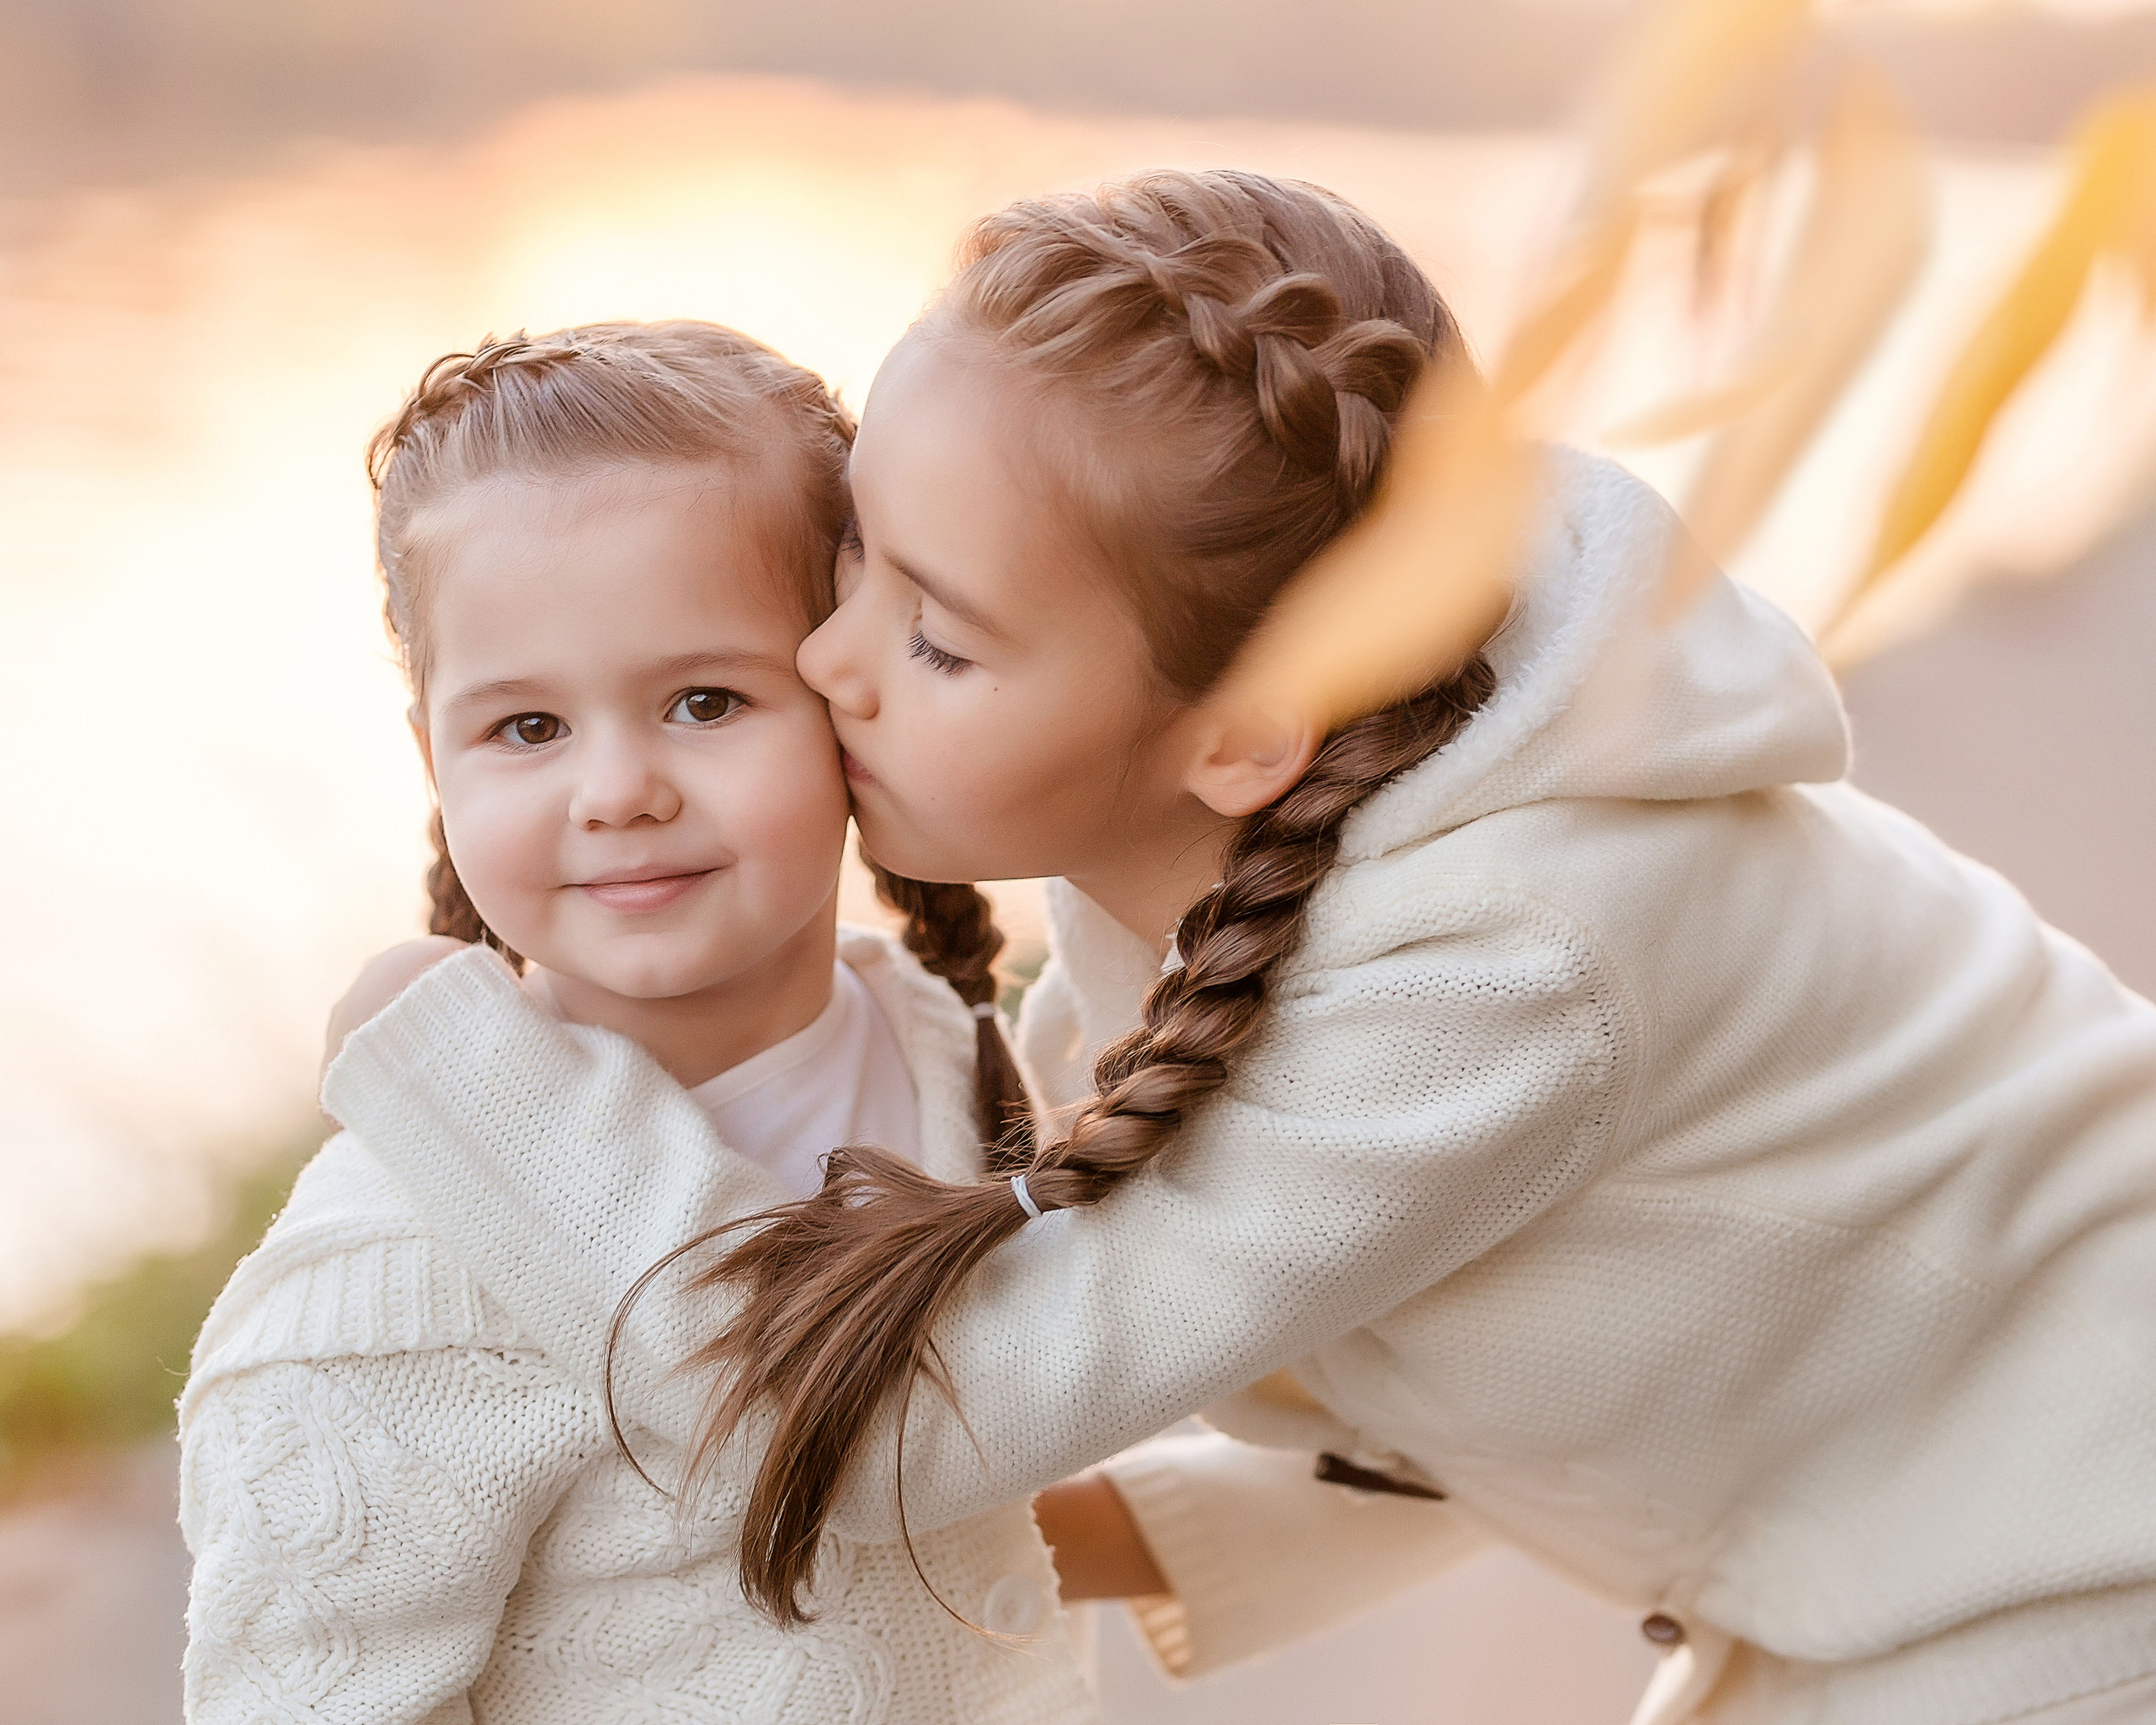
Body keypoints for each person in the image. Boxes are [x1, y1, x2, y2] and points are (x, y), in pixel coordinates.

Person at [322, 176, 2156, 1725]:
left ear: (1240, 727)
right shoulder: (1224, 843)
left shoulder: (1514, 961)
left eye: (938, 639)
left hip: (2075, 1566)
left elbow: (896, 1428)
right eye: (855, 557)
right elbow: (1451, 1368)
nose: (825, 660)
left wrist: (468, 1073)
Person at [178, 320, 1110, 1725]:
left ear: (853, 699)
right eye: (529, 729)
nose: (617, 790)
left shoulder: (936, 1046)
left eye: (703, 700)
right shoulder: (386, 1288)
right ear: (433, 755)